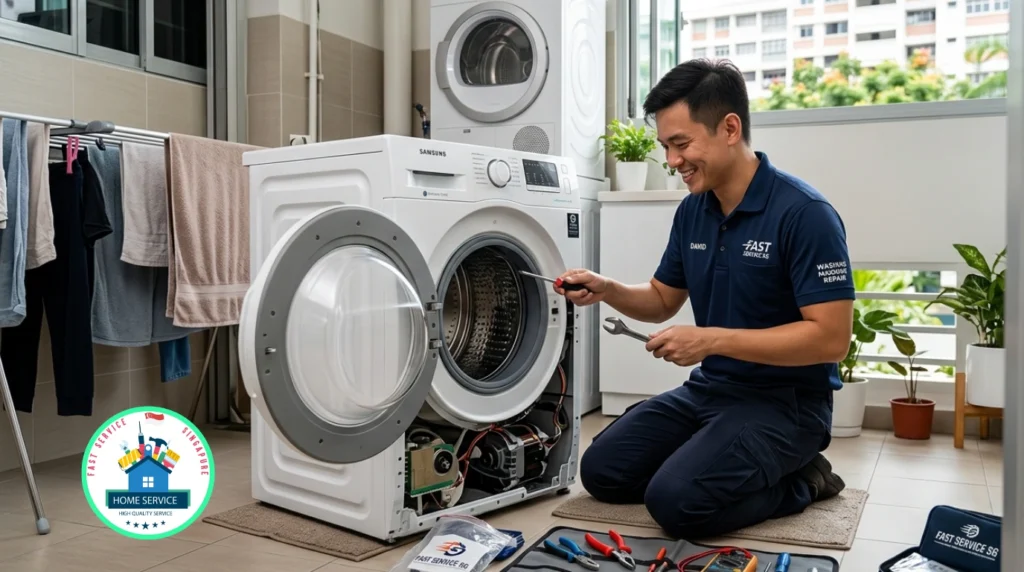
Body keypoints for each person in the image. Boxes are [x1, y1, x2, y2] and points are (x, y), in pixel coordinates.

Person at [556, 59, 854, 539]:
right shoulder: (695, 211)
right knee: (604, 472)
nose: (672, 161)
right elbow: (660, 299)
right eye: (666, 147)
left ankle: (802, 481)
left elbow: (831, 339)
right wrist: (607, 288)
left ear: (729, 128)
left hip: (787, 406)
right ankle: (712, 455)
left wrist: (711, 340)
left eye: (681, 144)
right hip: (711, 391)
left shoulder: (805, 214)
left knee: (675, 504)